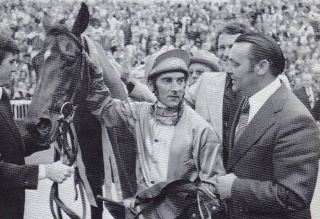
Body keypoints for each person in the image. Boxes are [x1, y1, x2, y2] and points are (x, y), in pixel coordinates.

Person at [87, 49, 225, 218]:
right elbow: (103, 109)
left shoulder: (202, 129)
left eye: (180, 81)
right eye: (167, 81)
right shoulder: (139, 113)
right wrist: (96, 74)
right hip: (142, 213)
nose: (175, 88)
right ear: (152, 86)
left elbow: (213, 187)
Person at [214, 32, 320, 219]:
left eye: (236, 64)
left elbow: (294, 196)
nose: (228, 70)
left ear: (261, 67)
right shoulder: (246, 99)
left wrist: (234, 188)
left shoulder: (296, 121)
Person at [0, 33, 74, 219]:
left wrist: (50, 131)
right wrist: (45, 170)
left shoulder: (3, 97)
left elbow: (12, 145)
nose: (15, 68)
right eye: (11, 62)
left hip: (12, 206)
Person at [184, 22, 249, 166]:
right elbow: (174, 105)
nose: (226, 54)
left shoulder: (261, 84)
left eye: (232, 47)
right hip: (211, 174)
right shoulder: (206, 81)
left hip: (248, 178)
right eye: (222, 47)